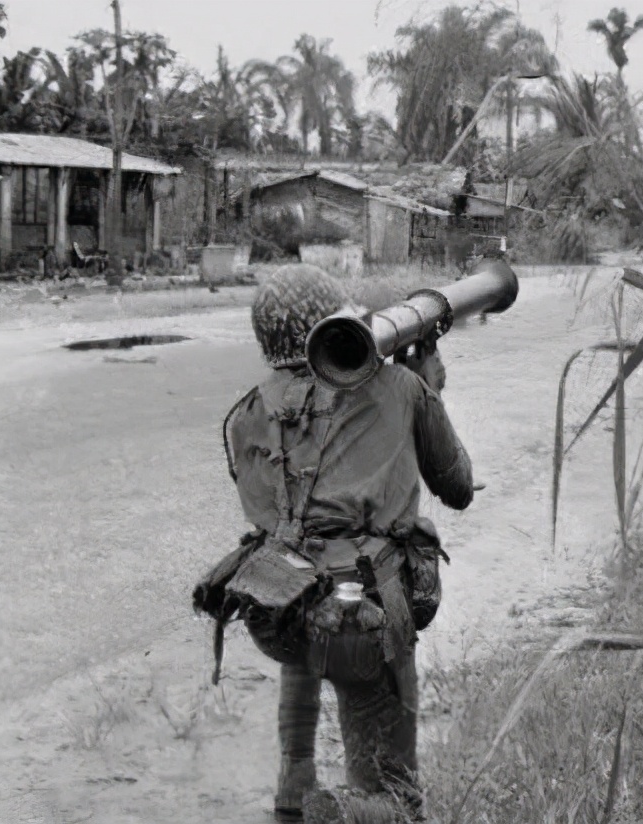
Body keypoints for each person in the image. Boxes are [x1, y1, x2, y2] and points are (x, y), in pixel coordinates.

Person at [196, 264, 474, 823]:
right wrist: (429, 388)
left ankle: (293, 790)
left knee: (308, 619)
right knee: (394, 791)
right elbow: (458, 487)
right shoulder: (399, 388)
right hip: (363, 616)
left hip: (278, 610)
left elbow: (281, 508)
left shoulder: (247, 411)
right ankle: (350, 812)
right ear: (336, 320)